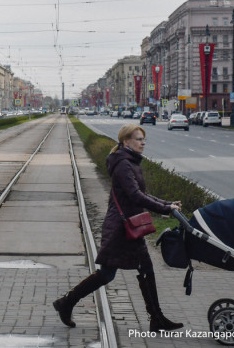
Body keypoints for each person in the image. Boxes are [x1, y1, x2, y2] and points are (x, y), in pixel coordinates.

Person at [52, 124, 183, 331]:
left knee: (140, 269)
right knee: (109, 274)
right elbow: (136, 196)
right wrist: (165, 208)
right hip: (121, 229)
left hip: (129, 226)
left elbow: (141, 194)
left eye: (143, 139)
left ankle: (156, 317)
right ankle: (66, 303)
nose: (143, 143)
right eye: (139, 139)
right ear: (126, 141)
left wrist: (167, 204)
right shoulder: (123, 164)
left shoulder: (129, 162)